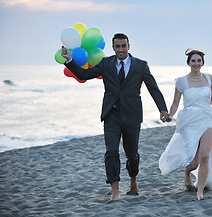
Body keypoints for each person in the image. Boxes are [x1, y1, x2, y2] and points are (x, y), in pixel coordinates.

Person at [61, 33, 169, 203]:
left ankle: (133, 181)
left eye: (123, 46)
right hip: (112, 115)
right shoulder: (106, 63)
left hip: (132, 116)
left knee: (132, 154)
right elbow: (83, 74)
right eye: (117, 46)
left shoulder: (140, 65)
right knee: (111, 152)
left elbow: (153, 89)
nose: (120, 49)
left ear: (128, 46)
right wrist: (69, 60)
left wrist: (162, 109)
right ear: (113, 47)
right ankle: (115, 192)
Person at [159, 49, 212, 200]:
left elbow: (211, 100)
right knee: (194, 162)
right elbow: (175, 104)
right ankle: (188, 173)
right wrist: (169, 115)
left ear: (202, 62)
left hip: (208, 118)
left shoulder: (208, 78)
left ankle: (200, 191)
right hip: (189, 121)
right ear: (188, 63)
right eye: (193, 61)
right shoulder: (181, 81)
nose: (196, 63)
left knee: (205, 156)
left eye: (199, 60)